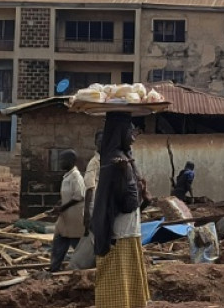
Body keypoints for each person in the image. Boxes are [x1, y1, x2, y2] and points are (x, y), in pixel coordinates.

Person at [92, 112, 151, 308]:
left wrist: (140, 188)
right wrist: (132, 184)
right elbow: (128, 203)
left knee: (127, 287)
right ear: (119, 133)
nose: (133, 137)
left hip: (128, 232)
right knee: (119, 288)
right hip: (120, 235)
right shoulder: (116, 162)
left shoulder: (123, 158)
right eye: (129, 132)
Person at [50, 149, 85, 272]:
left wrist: (63, 207)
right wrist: (59, 204)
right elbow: (68, 195)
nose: (60, 163)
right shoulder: (67, 176)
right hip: (66, 218)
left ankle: (85, 268)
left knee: (77, 245)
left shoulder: (76, 176)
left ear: (71, 161)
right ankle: (54, 268)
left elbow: (80, 195)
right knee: (59, 241)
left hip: (74, 218)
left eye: (63, 160)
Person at [83, 130, 103, 230]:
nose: (102, 143)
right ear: (95, 142)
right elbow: (89, 188)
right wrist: (86, 212)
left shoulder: (107, 160)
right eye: (100, 141)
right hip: (94, 204)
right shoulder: (94, 162)